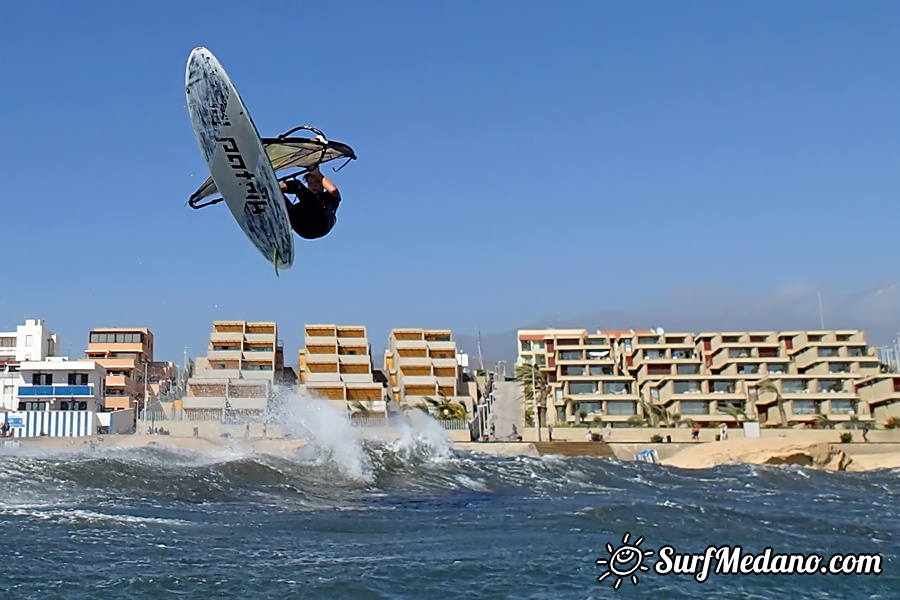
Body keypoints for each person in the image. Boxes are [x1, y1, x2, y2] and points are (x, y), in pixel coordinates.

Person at [279, 164, 341, 239]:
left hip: (322, 222)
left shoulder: (329, 198)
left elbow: (333, 190)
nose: (314, 185)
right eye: (310, 183)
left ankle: (280, 187)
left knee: (299, 187)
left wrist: (317, 174)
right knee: (282, 203)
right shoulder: (303, 205)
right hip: (305, 231)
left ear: (322, 184)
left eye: (317, 182)